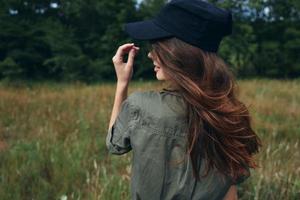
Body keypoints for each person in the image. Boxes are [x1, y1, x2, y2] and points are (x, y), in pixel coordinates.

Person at [106, 0, 262, 199]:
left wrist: (122, 84)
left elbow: (114, 144)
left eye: (158, 46)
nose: (150, 54)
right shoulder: (230, 115)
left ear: (178, 53)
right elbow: (229, 192)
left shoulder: (141, 106)